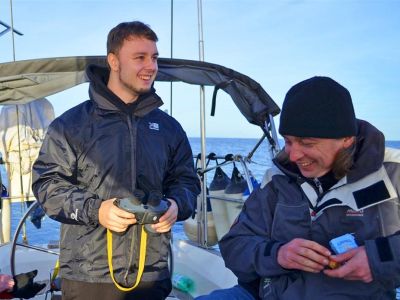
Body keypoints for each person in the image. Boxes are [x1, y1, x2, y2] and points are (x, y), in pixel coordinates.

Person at [32, 21, 200, 300]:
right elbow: (47, 186)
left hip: (152, 272)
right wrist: (95, 210)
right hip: (88, 275)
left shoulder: (169, 128)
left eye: (154, 57)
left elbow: (186, 181)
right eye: (140, 57)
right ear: (114, 61)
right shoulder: (71, 125)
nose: (151, 66)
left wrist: (176, 204)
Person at [198, 76, 400, 299]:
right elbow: (235, 246)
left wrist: (379, 257)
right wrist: (277, 255)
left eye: (307, 143)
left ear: (346, 139)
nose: (293, 155)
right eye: (288, 141)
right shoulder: (276, 177)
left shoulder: (392, 171)